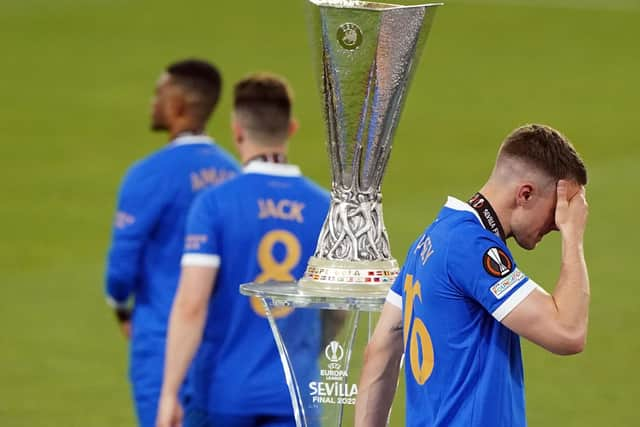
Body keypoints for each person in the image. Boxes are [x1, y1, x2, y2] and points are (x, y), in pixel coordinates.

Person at [355, 124, 590, 427]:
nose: (559, 222)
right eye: (560, 208)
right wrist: (574, 236)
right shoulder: (471, 247)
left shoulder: (431, 239)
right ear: (526, 194)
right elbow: (567, 333)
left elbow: (380, 353)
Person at [156, 73, 330, 427]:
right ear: (291, 128)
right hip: (296, 395)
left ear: (236, 131)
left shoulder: (214, 205)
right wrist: (306, 347)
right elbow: (338, 307)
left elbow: (191, 305)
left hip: (223, 395)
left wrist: (169, 392)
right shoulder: (326, 208)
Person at [104, 59, 240, 427]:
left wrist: (121, 308)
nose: (152, 102)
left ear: (178, 105)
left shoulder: (148, 174)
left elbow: (121, 266)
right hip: (225, 346)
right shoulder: (233, 174)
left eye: (159, 94)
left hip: (163, 343)